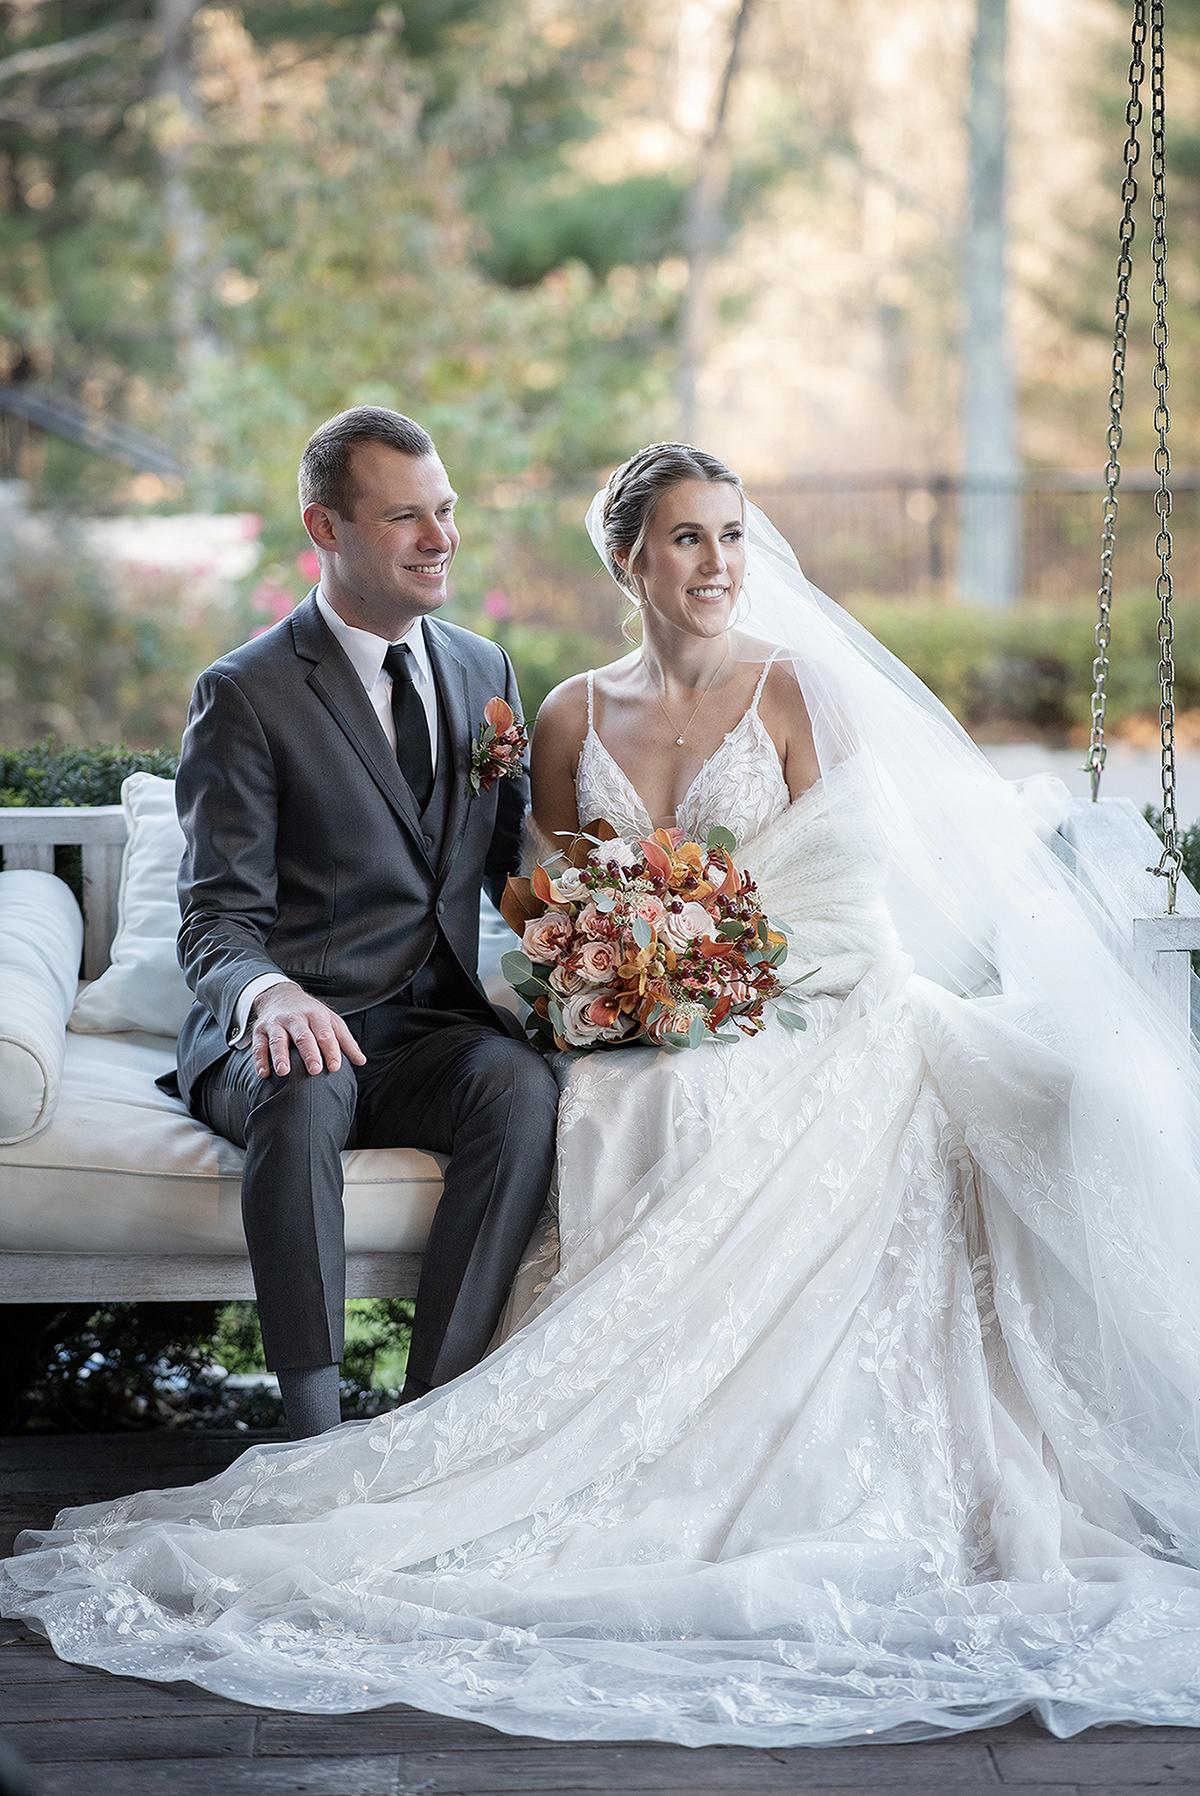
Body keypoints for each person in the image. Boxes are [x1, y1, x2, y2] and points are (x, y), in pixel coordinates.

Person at [6, 442, 1200, 1751]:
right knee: (488, 1094)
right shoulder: (398, 699)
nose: (720, 563)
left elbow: (740, 890)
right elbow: (439, 902)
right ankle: (324, 1421)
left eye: (732, 535)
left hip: (753, 1005)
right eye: (689, 537)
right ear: (628, 558)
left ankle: (441, 1401)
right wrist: (583, 973)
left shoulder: (525, 675)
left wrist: (660, 971)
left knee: (557, 1094)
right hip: (344, 1017)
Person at [153, 404, 558, 1439]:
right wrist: (270, 994)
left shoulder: (484, 671)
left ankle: (431, 1414)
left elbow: (513, 870)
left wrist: (616, 944)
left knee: (519, 1085)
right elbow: (213, 919)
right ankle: (314, 1430)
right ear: (324, 528)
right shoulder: (245, 693)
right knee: (305, 1076)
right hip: (283, 1035)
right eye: (404, 517)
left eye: (446, 510)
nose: (440, 537)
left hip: (426, 1031)